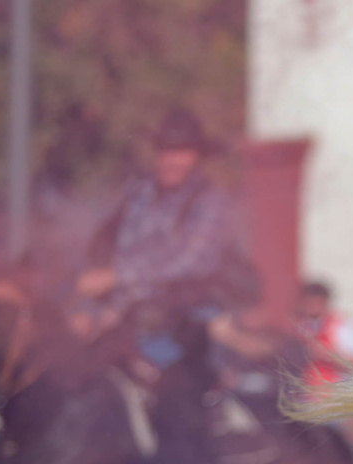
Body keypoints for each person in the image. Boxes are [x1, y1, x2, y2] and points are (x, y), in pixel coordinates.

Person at [76, 107, 254, 365]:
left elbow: (192, 260)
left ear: (197, 156)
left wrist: (117, 275)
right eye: (166, 150)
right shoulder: (139, 193)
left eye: (182, 152)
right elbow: (106, 245)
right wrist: (92, 306)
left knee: (176, 391)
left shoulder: (210, 201)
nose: (171, 160)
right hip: (129, 317)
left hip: (188, 321)